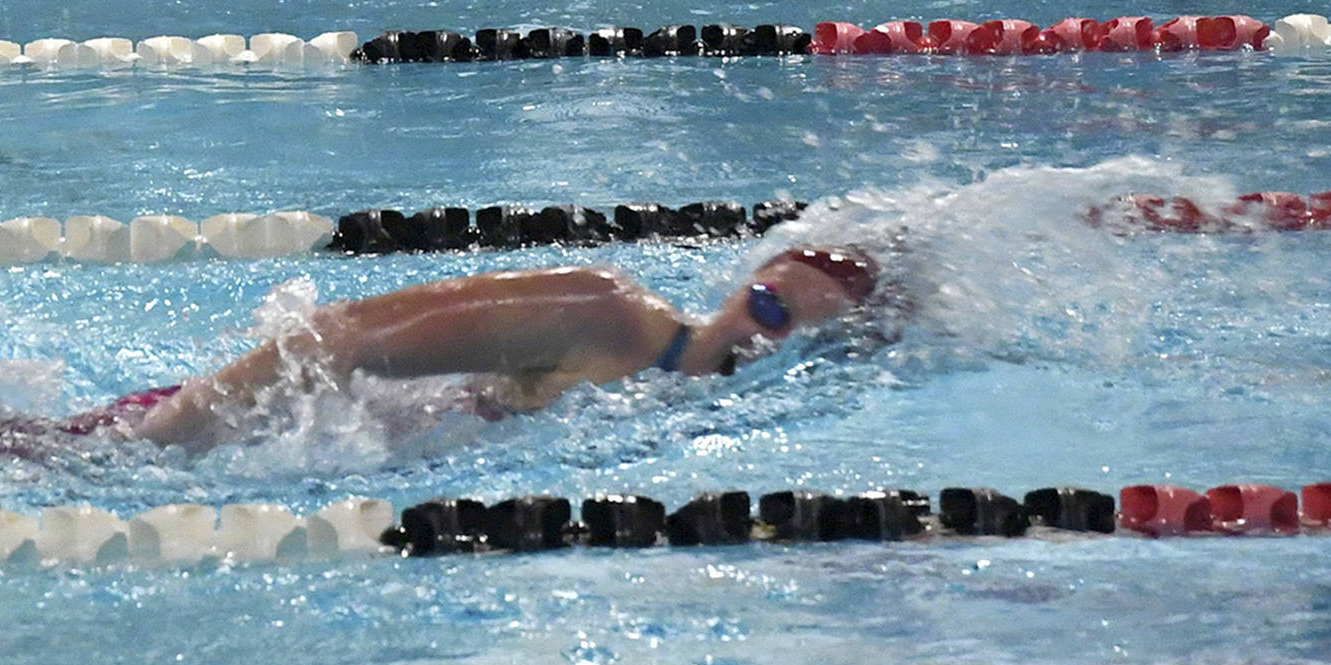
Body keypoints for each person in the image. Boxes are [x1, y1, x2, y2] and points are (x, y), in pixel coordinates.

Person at [57, 244, 877, 452]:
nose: (759, 334)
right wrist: (165, 437)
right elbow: (334, 339)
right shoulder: (613, 315)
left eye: (792, 329)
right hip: (214, 429)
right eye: (765, 302)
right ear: (741, 284)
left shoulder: (711, 396)